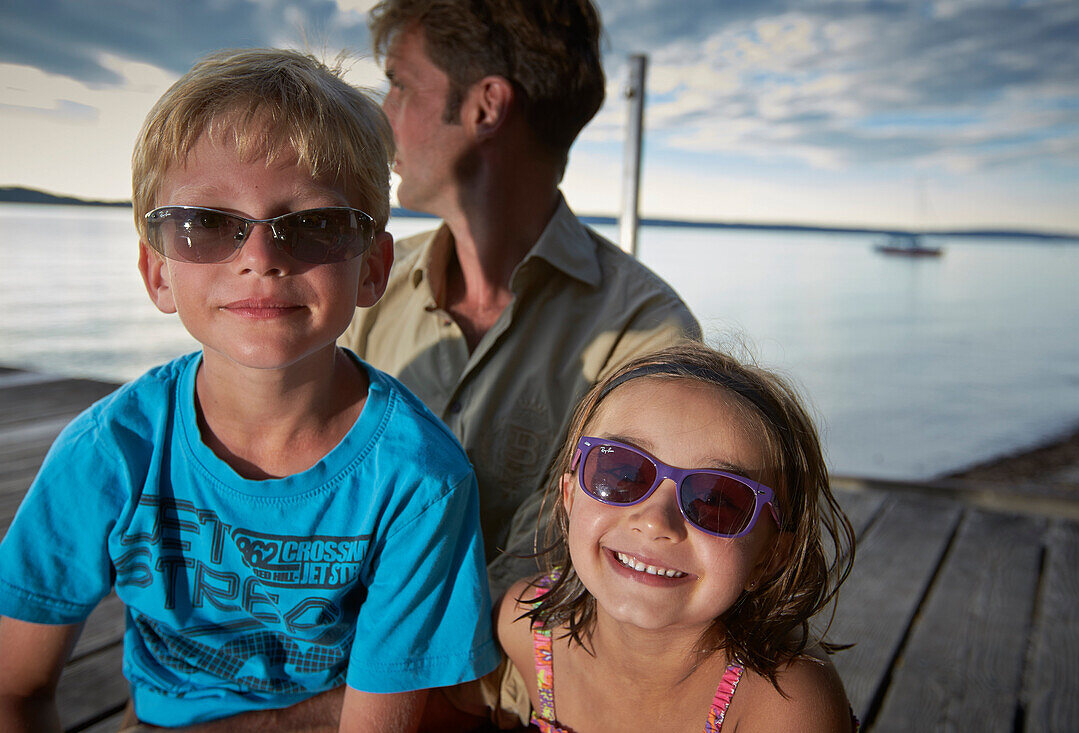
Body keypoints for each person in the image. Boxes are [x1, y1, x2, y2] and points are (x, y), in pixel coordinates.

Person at [0, 49, 497, 731]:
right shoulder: (108, 453)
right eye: (206, 223)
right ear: (159, 273)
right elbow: (15, 686)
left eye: (316, 223)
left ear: (373, 269)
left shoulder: (419, 481)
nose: (261, 256)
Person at [340, 0, 701, 595]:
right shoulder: (362, 281)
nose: (385, 115)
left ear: (486, 107)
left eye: (401, 85)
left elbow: (556, 584)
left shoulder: (648, 334)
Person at [486, 342, 859, 731]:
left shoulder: (784, 703)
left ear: (770, 556)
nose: (655, 522)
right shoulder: (527, 628)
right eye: (624, 474)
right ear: (570, 496)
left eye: (716, 500)